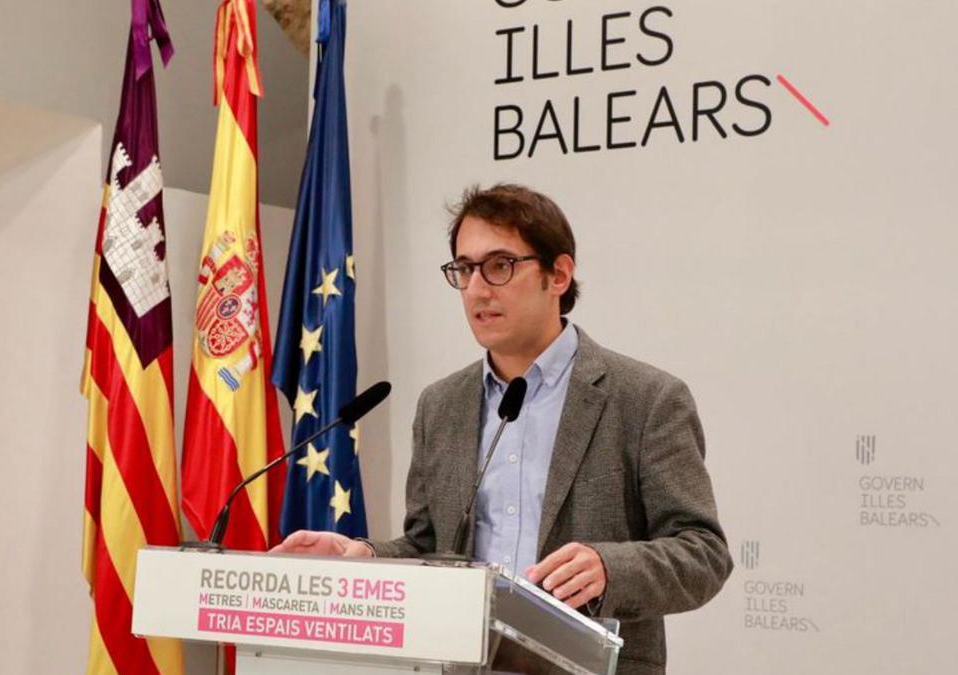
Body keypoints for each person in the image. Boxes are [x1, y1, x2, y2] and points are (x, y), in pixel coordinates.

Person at [272, 184, 732, 675]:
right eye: (464, 269)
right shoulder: (441, 405)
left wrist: (608, 568)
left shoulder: (644, 398)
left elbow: (702, 553)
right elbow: (429, 547)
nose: (476, 289)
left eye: (499, 265)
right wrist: (362, 554)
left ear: (559, 274)